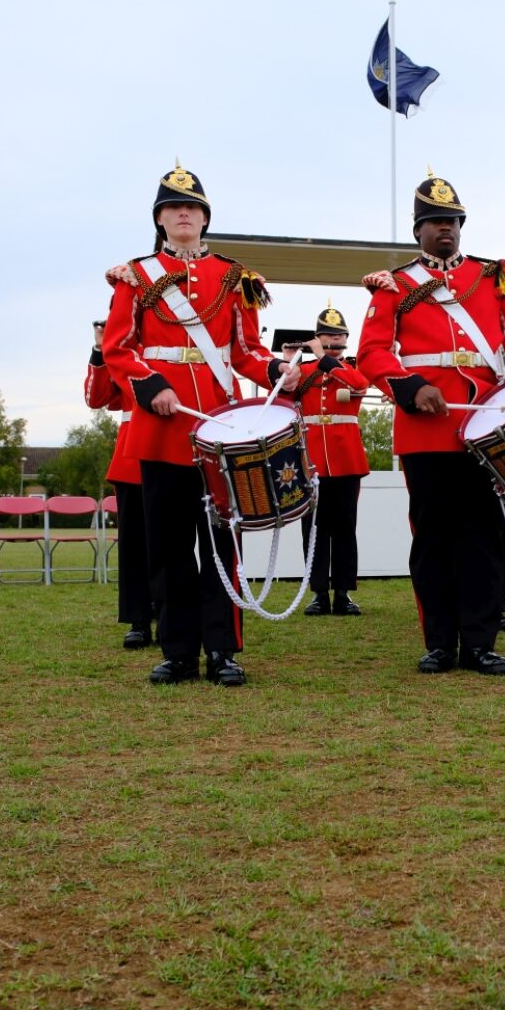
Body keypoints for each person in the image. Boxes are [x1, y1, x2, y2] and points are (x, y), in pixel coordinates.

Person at [102, 163, 299, 685]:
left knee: (220, 548)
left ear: (205, 218)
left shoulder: (235, 277)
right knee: (167, 549)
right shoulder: (135, 276)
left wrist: (278, 369)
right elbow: (116, 349)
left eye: (191, 207)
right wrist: (150, 387)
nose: (182, 213)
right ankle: (179, 651)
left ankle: (223, 650)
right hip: (160, 431)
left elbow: (247, 352)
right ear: (160, 220)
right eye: (172, 207)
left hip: (217, 434)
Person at [356, 171, 505, 676]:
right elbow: (371, 353)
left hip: (487, 425)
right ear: (418, 230)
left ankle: (480, 642)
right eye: (436, 222)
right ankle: (440, 642)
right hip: (425, 429)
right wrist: (410, 387)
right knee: (434, 538)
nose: (446, 230)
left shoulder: (490, 276)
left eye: (453, 222)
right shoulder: (396, 285)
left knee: (483, 538)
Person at [283, 303, 369, 618]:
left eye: (336, 335)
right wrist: (287, 361)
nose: (332, 339)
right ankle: (319, 593)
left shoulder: (352, 367)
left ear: (345, 338)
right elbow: (281, 401)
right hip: (312, 461)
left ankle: (343, 593)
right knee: (314, 529)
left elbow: (359, 385)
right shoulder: (303, 372)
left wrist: (323, 357)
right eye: (325, 335)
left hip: (347, 459)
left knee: (345, 527)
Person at [85, 318, 152, 647]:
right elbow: (96, 399)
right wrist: (100, 348)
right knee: (134, 547)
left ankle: (171, 615)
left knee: (173, 546)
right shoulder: (120, 354)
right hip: (131, 462)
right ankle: (139, 620)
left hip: (174, 453)